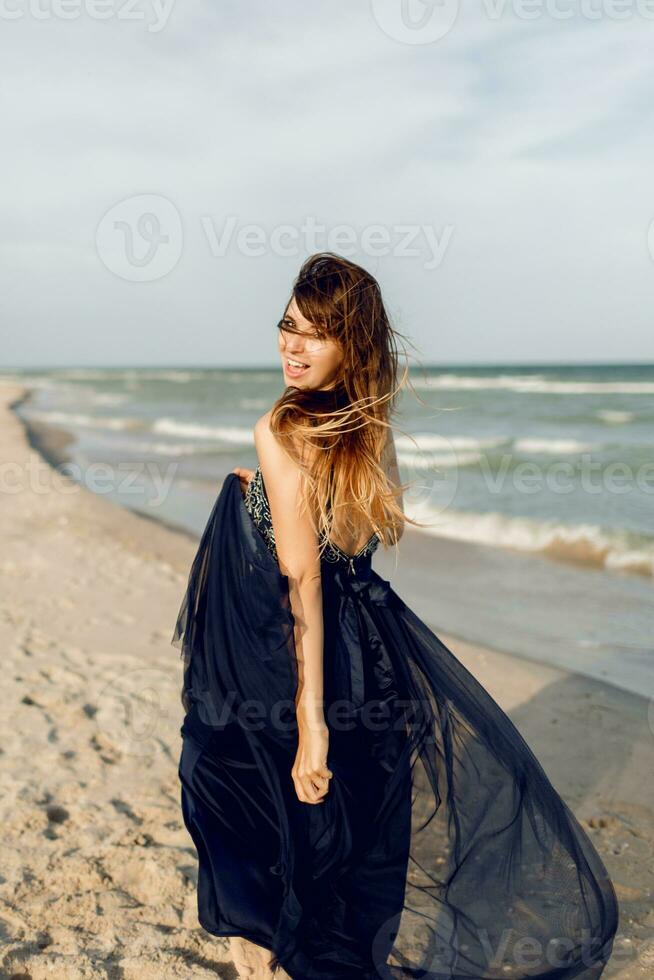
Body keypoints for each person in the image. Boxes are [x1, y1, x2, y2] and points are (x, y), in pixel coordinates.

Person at [172, 253, 619, 980]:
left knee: (235, 787)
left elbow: (301, 583)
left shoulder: (280, 429)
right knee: (344, 823)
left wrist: (310, 721)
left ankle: (265, 960)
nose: (292, 346)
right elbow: (362, 538)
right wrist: (269, 497)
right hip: (367, 641)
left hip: (289, 647)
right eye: (288, 326)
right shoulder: (366, 425)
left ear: (352, 344)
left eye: (316, 334)